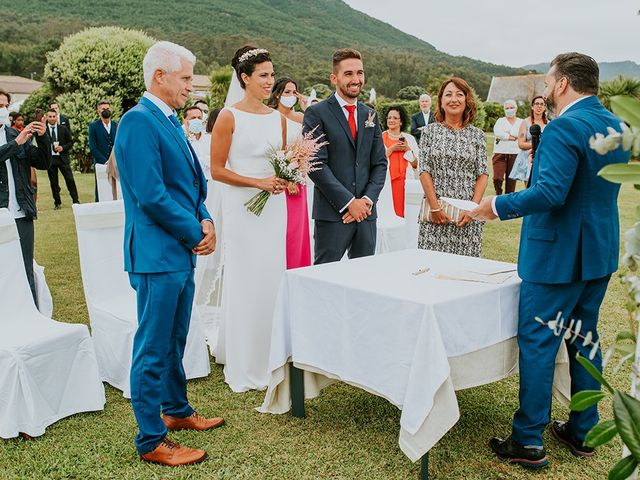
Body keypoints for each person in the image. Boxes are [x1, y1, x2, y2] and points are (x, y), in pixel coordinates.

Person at [471, 52, 630, 469]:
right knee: (585, 340)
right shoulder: (617, 125)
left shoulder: (562, 129)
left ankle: (527, 439)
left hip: (556, 255)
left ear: (563, 84)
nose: (544, 89)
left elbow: (550, 193)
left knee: (539, 343)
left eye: (547, 81)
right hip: (598, 252)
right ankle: (583, 430)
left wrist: (497, 205)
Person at [114, 41, 223, 467]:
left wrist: (206, 218)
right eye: (184, 78)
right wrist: (195, 231)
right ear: (159, 76)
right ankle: (150, 439)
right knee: (153, 345)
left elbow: (192, 184)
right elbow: (152, 196)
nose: (190, 86)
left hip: (179, 250)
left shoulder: (170, 121)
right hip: (158, 254)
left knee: (176, 337)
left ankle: (176, 411)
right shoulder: (138, 122)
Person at [210, 45, 289, 392]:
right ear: (244, 78)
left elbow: (285, 161)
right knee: (246, 277)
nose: (270, 81)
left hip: (274, 207)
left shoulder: (279, 119)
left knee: (272, 275)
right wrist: (257, 181)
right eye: (263, 76)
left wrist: (288, 177)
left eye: (272, 75)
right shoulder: (229, 116)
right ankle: (246, 359)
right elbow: (216, 170)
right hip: (244, 207)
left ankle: (271, 353)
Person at [303, 48, 387, 264]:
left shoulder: (370, 115)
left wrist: (366, 201)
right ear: (334, 78)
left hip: (366, 215)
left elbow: (379, 163)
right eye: (348, 73)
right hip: (333, 214)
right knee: (324, 281)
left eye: (359, 73)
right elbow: (315, 163)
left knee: (363, 282)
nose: (356, 79)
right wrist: (349, 202)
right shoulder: (316, 113)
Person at [417, 77, 488, 257]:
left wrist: (472, 209)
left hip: (467, 216)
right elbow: (424, 170)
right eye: (448, 95)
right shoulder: (429, 132)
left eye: (459, 94)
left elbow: (483, 174)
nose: (453, 99)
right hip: (436, 214)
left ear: (467, 100)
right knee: (430, 269)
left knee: (465, 274)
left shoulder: (477, 135)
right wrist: (434, 207)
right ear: (441, 101)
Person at [0, 89, 50, 305]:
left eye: (4, 106)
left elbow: (43, 162)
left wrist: (43, 136)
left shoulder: (15, 134)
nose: (1, 110)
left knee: (25, 265)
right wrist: (17, 144)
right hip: (1, 212)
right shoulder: (17, 139)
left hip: (21, 211)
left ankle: (32, 311)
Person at [267, 76, 312, 268]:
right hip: (275, 179)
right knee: (279, 229)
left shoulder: (302, 118)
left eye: (294, 92)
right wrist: (286, 176)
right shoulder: (269, 117)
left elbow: (308, 145)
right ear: (277, 94)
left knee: (297, 230)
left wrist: (305, 108)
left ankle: (296, 267)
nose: (291, 96)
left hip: (297, 179)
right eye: (287, 92)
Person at [382, 105, 418, 218]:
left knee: (406, 215)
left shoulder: (410, 139)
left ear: (401, 121)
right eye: (389, 118)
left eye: (395, 118)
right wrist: (392, 149)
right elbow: (375, 160)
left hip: (405, 182)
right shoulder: (380, 137)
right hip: (386, 183)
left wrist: (408, 149)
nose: (391, 120)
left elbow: (416, 164)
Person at [45, 109, 79, 209]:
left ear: (56, 117)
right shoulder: (44, 131)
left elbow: (70, 142)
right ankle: (57, 203)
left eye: (53, 116)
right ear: (47, 117)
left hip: (62, 158)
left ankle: (76, 200)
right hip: (50, 160)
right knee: (53, 182)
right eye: (50, 116)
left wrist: (62, 148)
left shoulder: (63, 129)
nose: (52, 118)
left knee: (70, 180)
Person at [510, 96, 549, 183]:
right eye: (537, 104)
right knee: (529, 188)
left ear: (545, 107)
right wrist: (536, 144)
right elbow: (521, 144)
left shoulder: (549, 123)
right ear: (532, 106)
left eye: (542, 104)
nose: (539, 106)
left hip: (544, 158)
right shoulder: (525, 122)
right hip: (528, 158)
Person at [88, 100, 118, 201]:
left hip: (115, 163)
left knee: (116, 188)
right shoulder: (93, 127)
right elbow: (93, 148)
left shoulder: (116, 125)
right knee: (100, 188)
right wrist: (105, 161)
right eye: (103, 109)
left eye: (108, 109)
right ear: (98, 112)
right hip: (101, 163)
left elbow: (118, 144)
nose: (106, 111)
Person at [491, 100, 522, 195]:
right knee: (497, 178)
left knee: (511, 181)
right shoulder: (500, 121)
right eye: (507, 108)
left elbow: (522, 134)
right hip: (500, 153)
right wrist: (511, 137)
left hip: (515, 154)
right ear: (504, 110)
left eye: (511, 107)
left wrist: (509, 134)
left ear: (516, 109)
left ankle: (508, 202)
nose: (509, 110)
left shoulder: (521, 122)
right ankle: (498, 194)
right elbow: (498, 133)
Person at [182, 105, 210, 178]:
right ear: (185, 120)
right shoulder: (181, 138)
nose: (197, 120)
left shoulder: (208, 138)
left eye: (199, 118)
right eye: (193, 118)